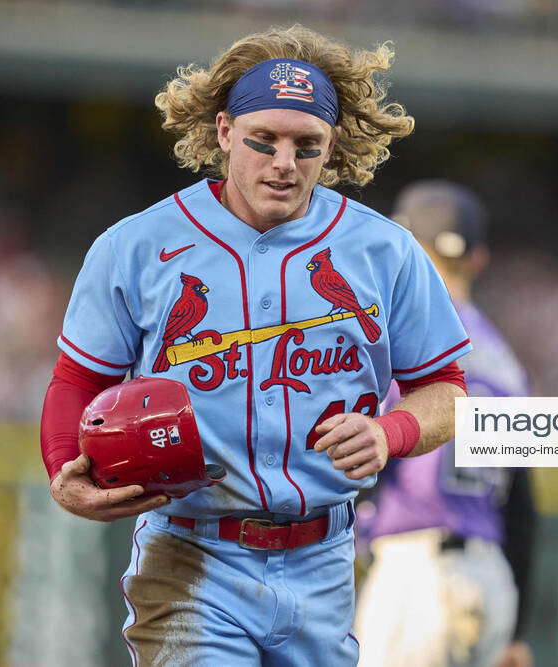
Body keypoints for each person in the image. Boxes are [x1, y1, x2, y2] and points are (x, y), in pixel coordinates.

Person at [38, 25, 471, 665]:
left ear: (333, 146)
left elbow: (447, 390)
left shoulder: (386, 251)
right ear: (222, 133)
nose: (283, 164)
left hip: (326, 559)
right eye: (262, 141)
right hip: (190, 551)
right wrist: (61, 469)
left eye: (307, 145)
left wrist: (394, 431)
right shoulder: (136, 245)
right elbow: (78, 380)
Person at [354, 181, 538, 667]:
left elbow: (357, 454)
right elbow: (522, 507)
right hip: (489, 576)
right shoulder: (506, 362)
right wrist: (516, 628)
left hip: (418, 574)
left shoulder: (403, 335)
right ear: (478, 259)